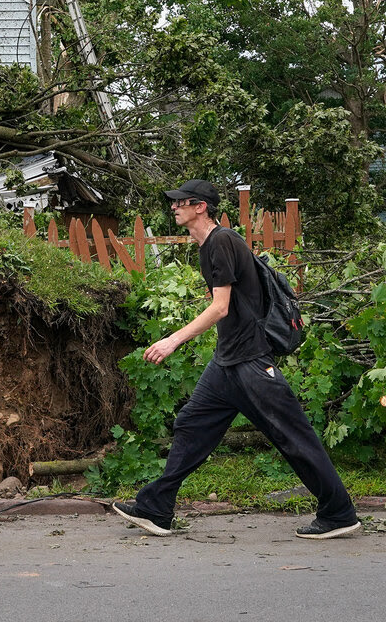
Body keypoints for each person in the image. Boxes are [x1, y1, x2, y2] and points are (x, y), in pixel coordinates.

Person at [113, 179, 361, 540]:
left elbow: (220, 306)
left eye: (181, 202)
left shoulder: (222, 241)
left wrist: (173, 340)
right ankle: (156, 509)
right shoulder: (208, 246)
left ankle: (338, 513)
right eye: (174, 202)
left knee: (293, 436)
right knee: (191, 426)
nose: (174, 207)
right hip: (227, 363)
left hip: (250, 362)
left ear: (201, 206)